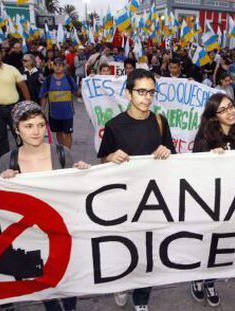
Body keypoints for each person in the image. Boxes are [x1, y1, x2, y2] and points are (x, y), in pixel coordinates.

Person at [0, 100, 90, 311]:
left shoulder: (62, 153)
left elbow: (74, 192)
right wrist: (5, 182)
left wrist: (84, 173)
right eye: (28, 126)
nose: (36, 131)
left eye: (40, 125)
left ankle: (70, 306)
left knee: (68, 277)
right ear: (17, 130)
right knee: (42, 279)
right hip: (32, 236)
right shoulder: (7, 161)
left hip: (63, 231)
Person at [97, 69, 176, 311]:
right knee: (124, 250)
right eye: (141, 91)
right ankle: (121, 284)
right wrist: (111, 156)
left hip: (153, 200)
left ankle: (142, 299)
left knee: (149, 253)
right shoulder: (114, 126)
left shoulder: (161, 122)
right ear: (129, 93)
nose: (147, 97)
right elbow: (102, 162)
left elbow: (171, 156)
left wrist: (167, 153)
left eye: (151, 92)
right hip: (123, 202)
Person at [191, 92, 235, 307]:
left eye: (231, 107)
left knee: (223, 245)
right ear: (213, 116)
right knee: (207, 244)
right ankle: (197, 278)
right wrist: (211, 159)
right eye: (222, 110)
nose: (229, 112)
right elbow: (195, 172)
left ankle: (210, 282)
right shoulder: (205, 138)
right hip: (211, 203)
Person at [0, 47, 31, 157]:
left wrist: (29, 105)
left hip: (14, 108)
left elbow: (23, 87)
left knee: (19, 135)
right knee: (1, 137)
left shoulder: (11, 69)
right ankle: (6, 161)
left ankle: (23, 159)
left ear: (1, 55)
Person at [39, 58, 79, 149]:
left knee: (68, 133)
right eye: (56, 65)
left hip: (68, 113)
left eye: (60, 65)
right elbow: (44, 96)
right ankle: (62, 150)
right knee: (58, 132)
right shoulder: (48, 80)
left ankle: (67, 152)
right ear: (52, 66)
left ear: (64, 67)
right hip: (54, 114)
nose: (58, 67)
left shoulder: (68, 78)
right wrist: (42, 110)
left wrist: (85, 83)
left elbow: (77, 92)